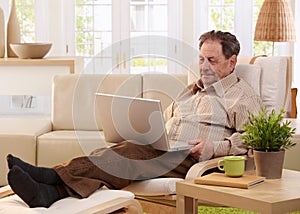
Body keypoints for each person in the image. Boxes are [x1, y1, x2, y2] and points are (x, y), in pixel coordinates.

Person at [6, 30, 262, 208]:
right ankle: (48, 193)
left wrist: (214, 147)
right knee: (111, 153)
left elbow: (254, 138)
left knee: (123, 155)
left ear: (231, 62)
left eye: (212, 60)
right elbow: (163, 120)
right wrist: (148, 130)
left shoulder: (241, 94)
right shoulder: (192, 90)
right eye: (201, 59)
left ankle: (50, 175)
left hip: (191, 157)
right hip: (163, 147)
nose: (204, 66)